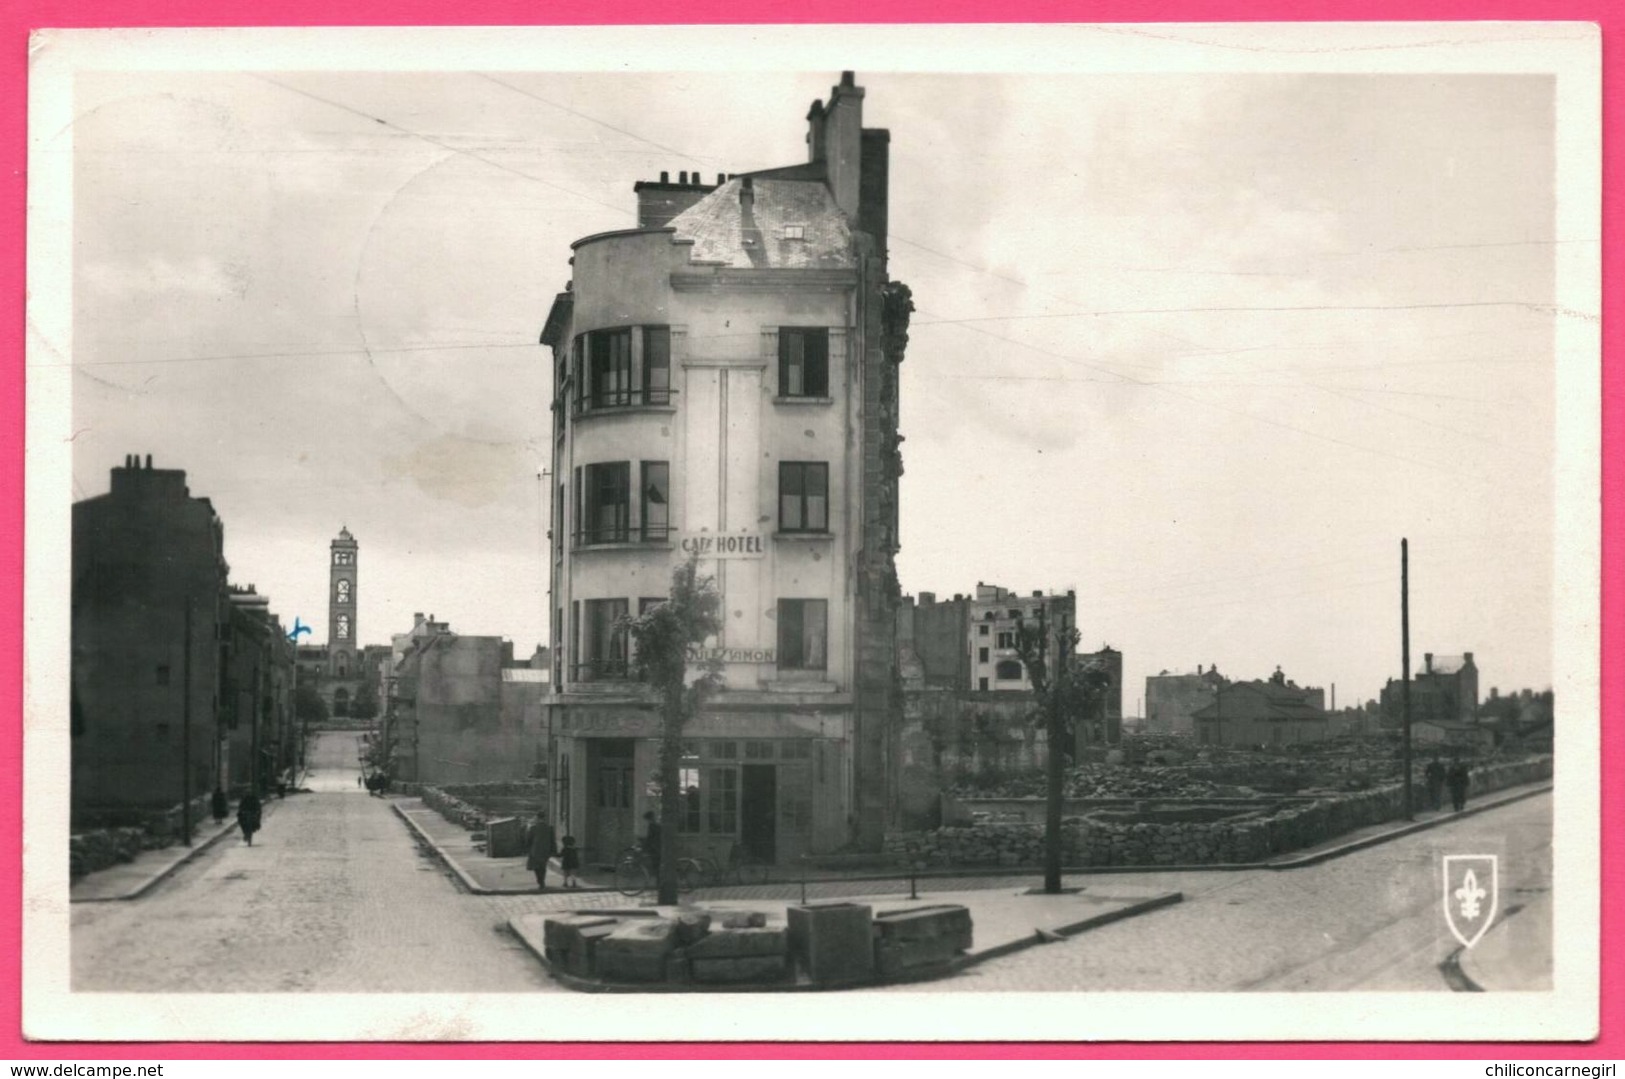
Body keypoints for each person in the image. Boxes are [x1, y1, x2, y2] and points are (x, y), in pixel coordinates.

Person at [525, 810, 558, 892]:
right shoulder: (549, 828)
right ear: (544, 818)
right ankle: (542, 881)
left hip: (535, 850)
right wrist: (554, 851)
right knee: (543, 866)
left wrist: (527, 849)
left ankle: (540, 881)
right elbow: (552, 840)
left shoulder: (533, 828)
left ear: (537, 818)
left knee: (536, 866)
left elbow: (528, 840)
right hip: (546, 850)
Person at [641, 810, 662, 876]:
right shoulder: (657, 825)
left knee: (656, 864)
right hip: (659, 846)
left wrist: (644, 845)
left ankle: (658, 879)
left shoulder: (652, 825)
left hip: (655, 848)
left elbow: (650, 838)